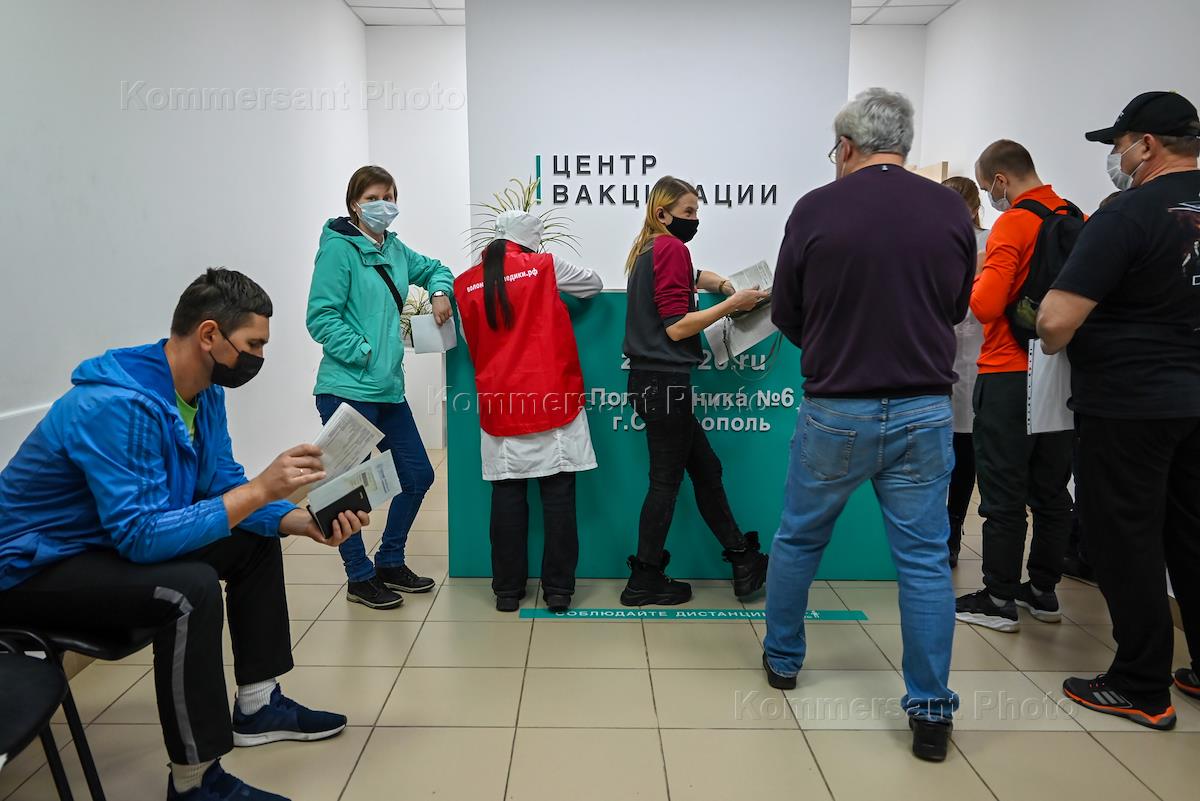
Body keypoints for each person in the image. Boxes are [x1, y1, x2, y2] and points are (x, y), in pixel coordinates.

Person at [0, 269, 363, 801]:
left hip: (100, 544)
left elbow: (221, 485)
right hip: (29, 570)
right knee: (189, 590)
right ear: (209, 334)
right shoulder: (116, 407)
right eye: (254, 344)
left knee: (253, 541)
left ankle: (258, 706)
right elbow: (142, 537)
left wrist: (299, 522)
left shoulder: (203, 393)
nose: (260, 357)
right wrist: (262, 490)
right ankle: (196, 783)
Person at [764, 87, 975, 762]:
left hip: (837, 406)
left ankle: (783, 660)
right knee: (923, 561)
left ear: (847, 146)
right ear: (903, 145)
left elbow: (786, 310)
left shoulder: (815, 208)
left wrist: (832, 342)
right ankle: (931, 711)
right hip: (925, 408)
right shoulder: (949, 208)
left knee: (799, 538)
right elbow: (956, 304)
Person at [1038, 90, 1200, 730]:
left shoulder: (1129, 214)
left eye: (1119, 144)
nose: (1117, 156)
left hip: (1130, 404)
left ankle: (1140, 684)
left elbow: (1056, 322)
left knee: (1125, 539)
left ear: (1146, 144)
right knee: (1192, 535)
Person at [306, 165, 455, 610]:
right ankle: (359, 576)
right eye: (373, 197)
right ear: (355, 203)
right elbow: (320, 317)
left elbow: (436, 268)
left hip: (388, 389)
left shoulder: (393, 248)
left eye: (389, 196)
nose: (383, 205)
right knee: (343, 487)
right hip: (347, 387)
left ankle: (390, 559)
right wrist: (366, 352)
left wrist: (440, 291)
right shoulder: (338, 249)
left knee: (418, 475)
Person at [621, 175, 771, 606]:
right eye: (688, 212)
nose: (694, 220)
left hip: (652, 383)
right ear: (662, 212)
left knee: (706, 469)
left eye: (696, 212)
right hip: (665, 383)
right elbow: (677, 326)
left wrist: (722, 285)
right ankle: (644, 578)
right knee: (665, 483)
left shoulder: (648, 248)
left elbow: (691, 276)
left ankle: (742, 558)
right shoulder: (671, 247)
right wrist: (732, 305)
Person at [953, 140, 1075, 633]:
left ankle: (998, 597)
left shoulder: (1014, 223)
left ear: (1001, 180)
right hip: (1060, 371)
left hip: (1007, 370)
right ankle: (1042, 591)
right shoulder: (1075, 216)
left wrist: (977, 277)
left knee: (1002, 491)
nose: (990, 196)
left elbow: (985, 305)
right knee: (1052, 489)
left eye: (988, 187)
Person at [454, 210, 603, 613]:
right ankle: (558, 591)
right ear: (531, 238)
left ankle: (507, 591)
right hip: (553, 399)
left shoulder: (464, 284)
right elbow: (593, 285)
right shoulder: (545, 265)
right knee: (558, 497)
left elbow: (470, 340)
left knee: (507, 496)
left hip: (501, 402)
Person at [941, 176, 991, 567]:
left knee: (963, 452)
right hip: (941, 360)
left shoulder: (990, 242)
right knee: (946, 454)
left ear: (975, 209)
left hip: (975, 358)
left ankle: (952, 532)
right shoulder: (929, 243)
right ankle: (944, 533)